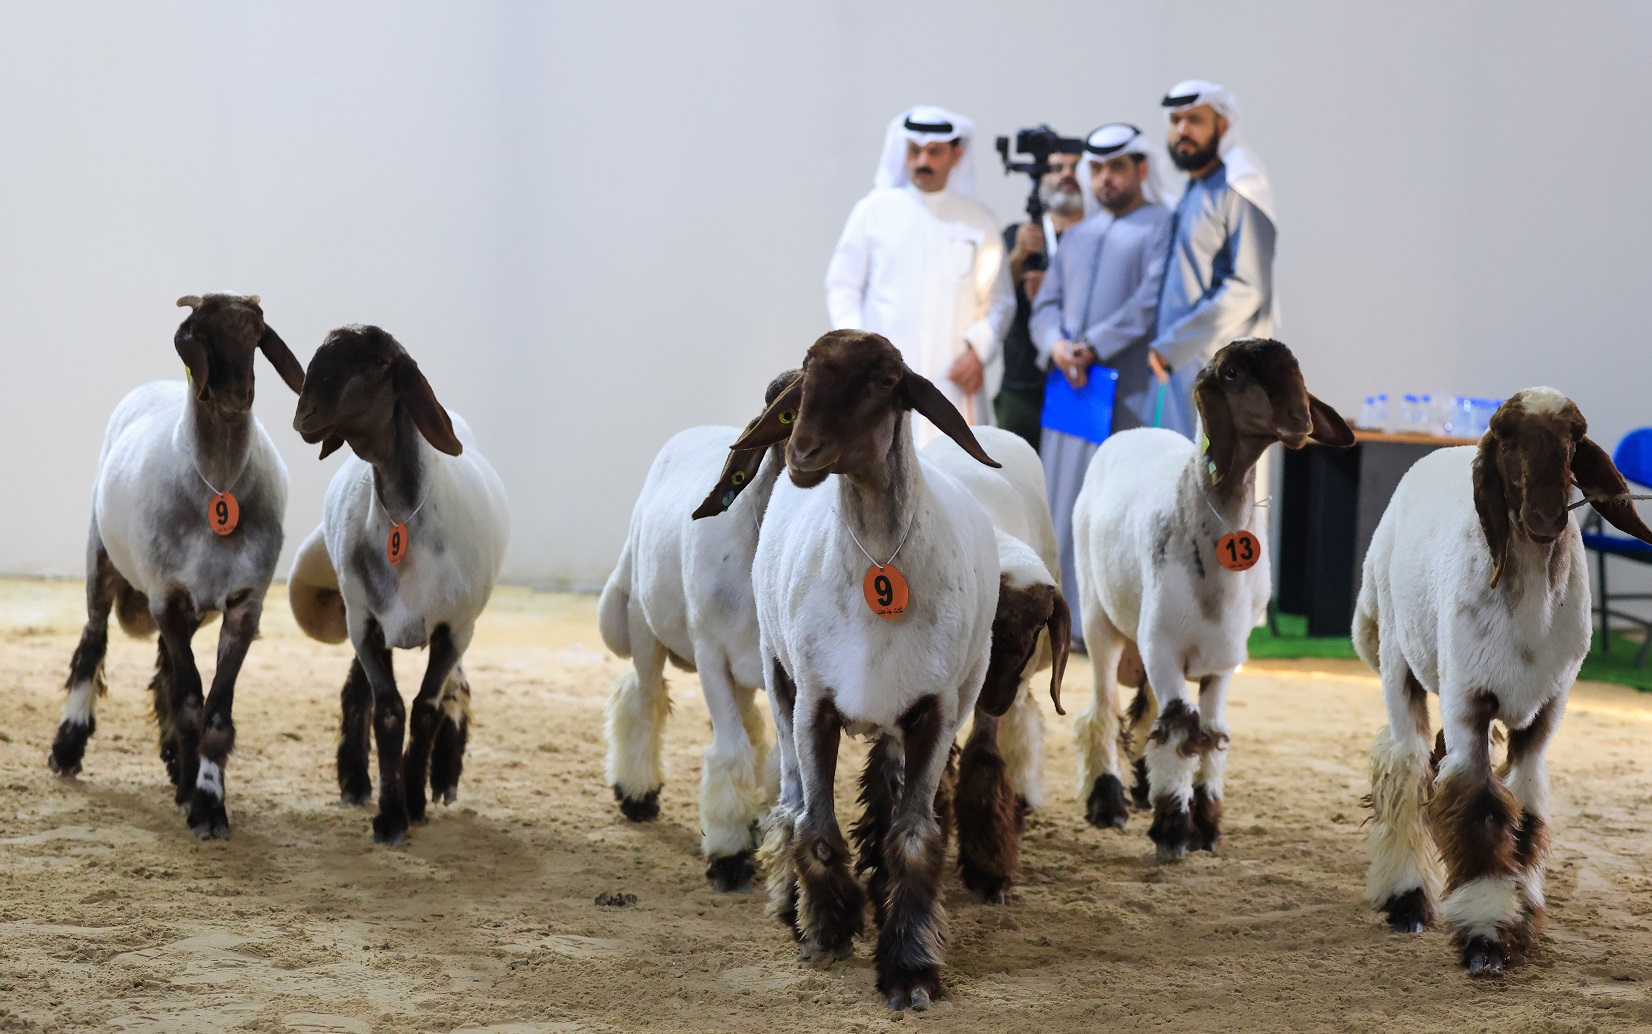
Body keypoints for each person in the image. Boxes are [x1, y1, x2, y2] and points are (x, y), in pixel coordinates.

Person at [1029, 123, 1174, 647]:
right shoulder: (1079, 235)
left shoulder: (1161, 226)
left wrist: (1092, 344)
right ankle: (1060, 625)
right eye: (1097, 169)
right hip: (1072, 392)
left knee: (1117, 509)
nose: (1105, 179)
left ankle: (1115, 629)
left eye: (1116, 167)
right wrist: (1057, 346)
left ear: (1141, 169)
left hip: (1128, 391)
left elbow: (1149, 303)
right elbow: (1046, 305)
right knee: (1064, 505)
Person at [825, 105, 1015, 444]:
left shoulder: (978, 220)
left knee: (955, 476)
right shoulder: (874, 212)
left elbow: (999, 299)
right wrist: (857, 350)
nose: (922, 161)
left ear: (956, 154)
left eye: (934, 152)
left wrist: (979, 352)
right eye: (914, 151)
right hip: (882, 379)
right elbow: (842, 286)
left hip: (954, 380)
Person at [1147, 79, 1278, 439]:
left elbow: (1248, 287)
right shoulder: (1196, 188)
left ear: (1223, 125)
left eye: (1194, 120)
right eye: (1175, 121)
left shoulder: (1240, 187)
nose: (1182, 130)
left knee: (1219, 488)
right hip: (1181, 365)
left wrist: (1172, 346)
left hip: (1222, 371)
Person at [993, 138, 1085, 451]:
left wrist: (1054, 287)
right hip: (1022, 381)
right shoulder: (1017, 234)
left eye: (1075, 167)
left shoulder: (1099, 237)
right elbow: (991, 294)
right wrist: (1018, 256)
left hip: (1079, 380)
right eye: (1056, 168)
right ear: (1041, 178)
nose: (1066, 175)